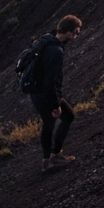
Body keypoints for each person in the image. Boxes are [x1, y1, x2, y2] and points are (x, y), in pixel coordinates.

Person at [30, 14, 82, 172]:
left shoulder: (47, 38)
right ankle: (52, 159)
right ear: (67, 31)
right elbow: (51, 81)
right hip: (45, 94)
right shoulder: (56, 51)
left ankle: (49, 159)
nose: (76, 36)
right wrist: (55, 104)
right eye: (75, 32)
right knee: (64, 117)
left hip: (36, 91)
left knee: (51, 123)